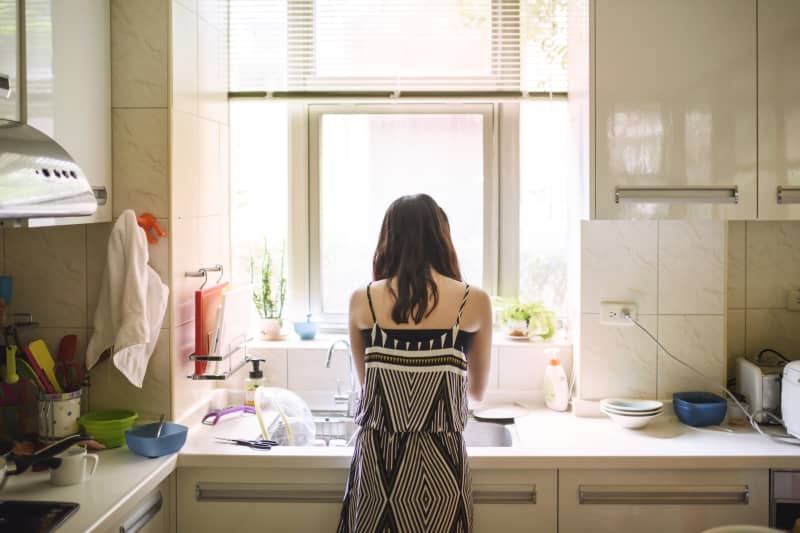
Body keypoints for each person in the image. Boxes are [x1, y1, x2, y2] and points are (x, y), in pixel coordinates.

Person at [337, 194, 493, 533]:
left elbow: (367, 386)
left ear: (388, 239)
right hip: (442, 470)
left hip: (379, 468)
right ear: (441, 238)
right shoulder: (474, 301)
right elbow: (478, 393)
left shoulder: (362, 301)